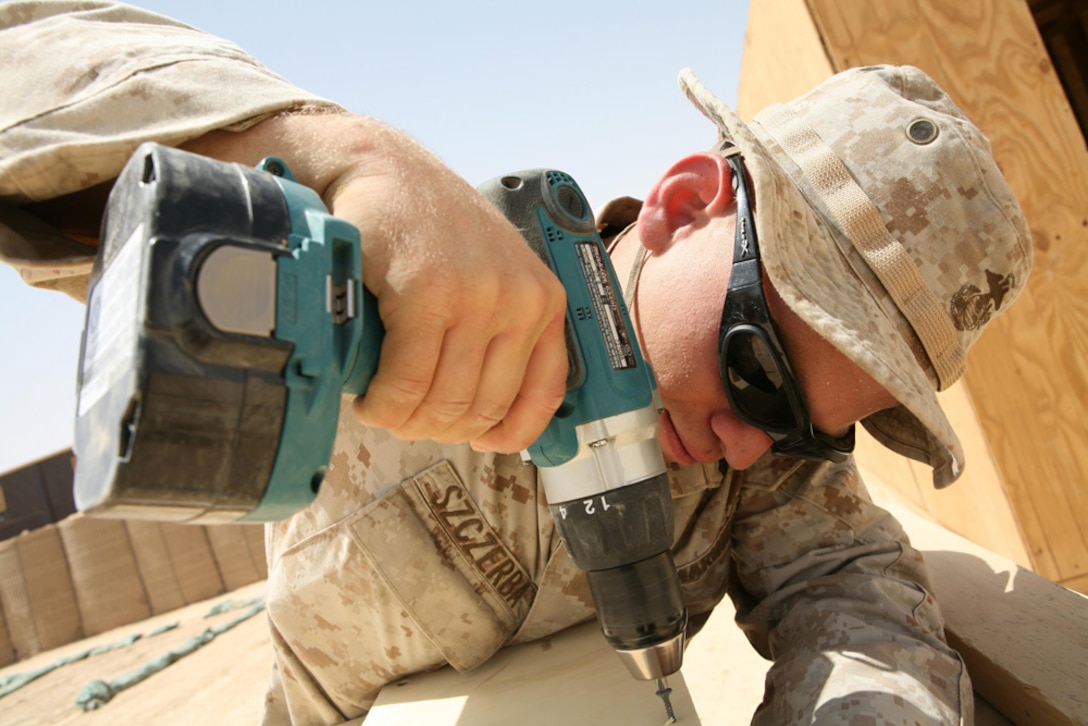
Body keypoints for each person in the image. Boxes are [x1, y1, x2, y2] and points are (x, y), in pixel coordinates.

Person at [0, 3, 1032, 725]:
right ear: (679, 206)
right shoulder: (403, 271)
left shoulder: (762, 465)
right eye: (754, 365)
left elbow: (859, 605)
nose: (749, 440)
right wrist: (316, 145)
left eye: (813, 422)